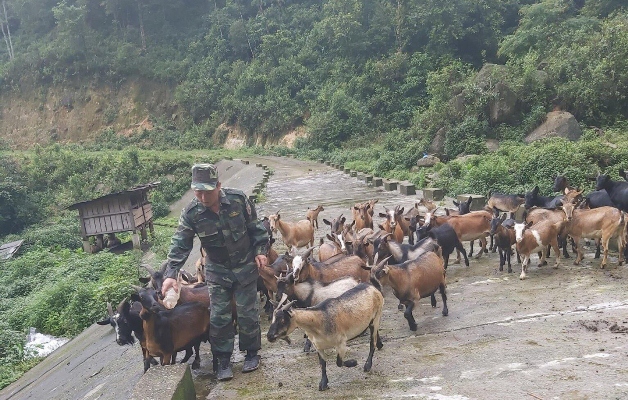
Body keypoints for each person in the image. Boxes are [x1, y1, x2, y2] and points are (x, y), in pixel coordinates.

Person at [161, 163, 269, 381]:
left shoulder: (239, 200)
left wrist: (260, 251)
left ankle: (251, 354)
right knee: (219, 317)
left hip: (245, 266)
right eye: (198, 191)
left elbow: (256, 229)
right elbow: (181, 243)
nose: (203, 197)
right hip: (218, 271)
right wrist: (171, 274)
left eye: (207, 191)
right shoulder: (192, 213)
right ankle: (223, 360)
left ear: (218, 186)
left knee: (248, 312)